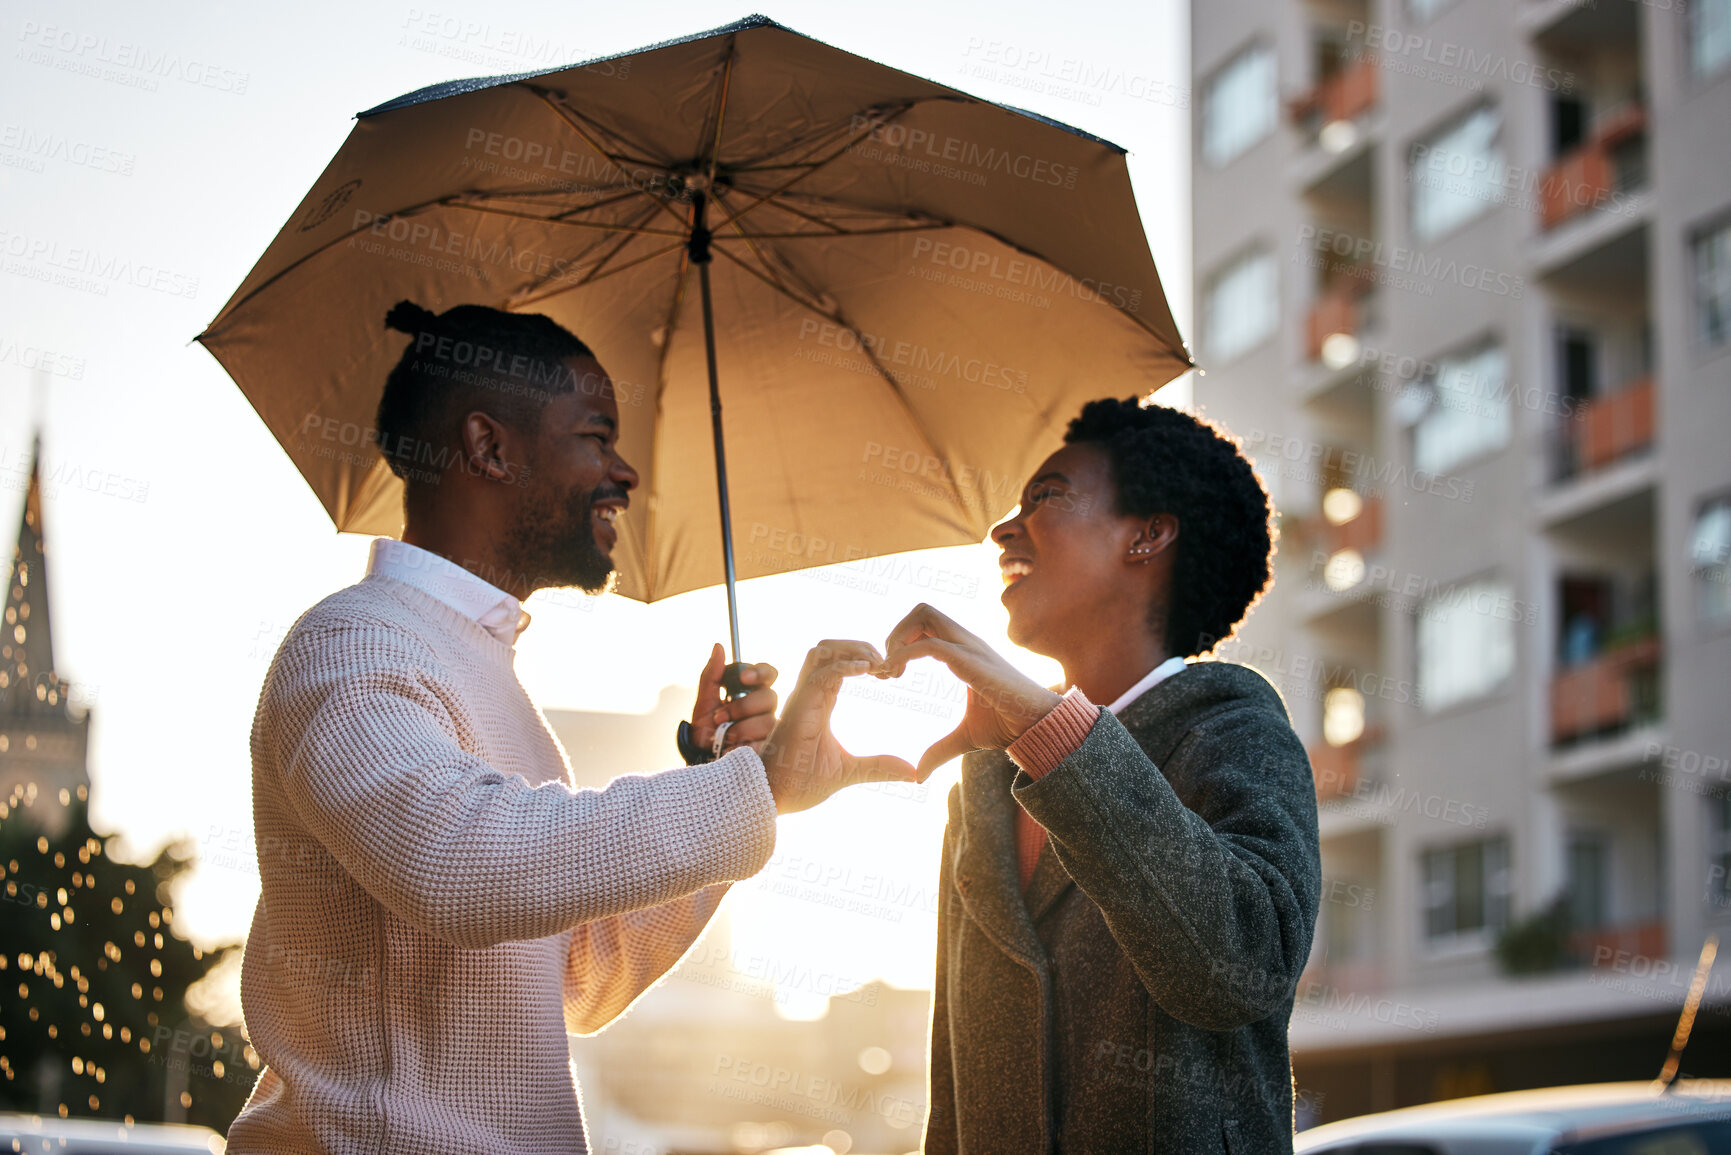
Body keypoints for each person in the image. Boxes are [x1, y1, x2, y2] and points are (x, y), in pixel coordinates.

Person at [228, 301, 912, 1154]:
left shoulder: (476, 665)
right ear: (489, 447)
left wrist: (722, 775)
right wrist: (754, 786)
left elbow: (580, 977)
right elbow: (461, 864)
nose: (624, 471)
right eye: (596, 434)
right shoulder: (355, 641)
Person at [883, 398, 1322, 1154]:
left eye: (1046, 496)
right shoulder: (985, 781)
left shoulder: (1234, 725)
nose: (1002, 529)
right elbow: (952, 1082)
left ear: (1147, 533)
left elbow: (1239, 970)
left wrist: (1043, 727)